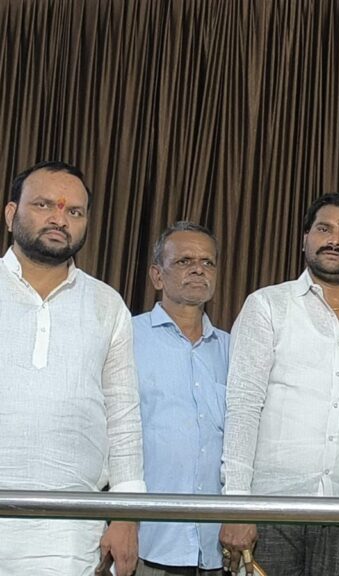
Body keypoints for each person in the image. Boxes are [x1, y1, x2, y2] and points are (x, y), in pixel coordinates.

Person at [220, 193, 339, 576]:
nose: (335, 240)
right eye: (324, 229)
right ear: (305, 238)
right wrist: (236, 505)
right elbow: (243, 406)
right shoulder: (268, 305)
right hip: (272, 507)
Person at [0, 161, 145, 576]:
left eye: (74, 212)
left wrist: (127, 515)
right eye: (44, 205)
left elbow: (123, 416)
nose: (59, 219)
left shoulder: (106, 304)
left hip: (69, 526)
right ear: (11, 214)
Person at [133, 222, 229, 576]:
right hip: (147, 541)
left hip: (217, 545)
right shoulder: (127, 338)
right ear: (157, 276)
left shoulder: (234, 349)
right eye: (184, 261)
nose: (198, 270)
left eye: (207, 262)